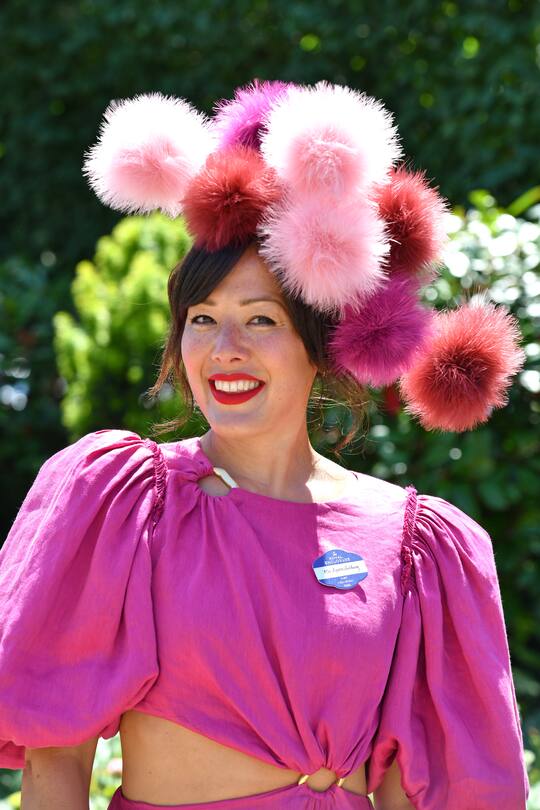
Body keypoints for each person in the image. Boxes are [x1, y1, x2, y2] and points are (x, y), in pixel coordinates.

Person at [0, 80, 530, 809]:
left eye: (259, 322)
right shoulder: (124, 504)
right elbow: (54, 762)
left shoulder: (415, 542)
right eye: (202, 319)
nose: (224, 349)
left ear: (322, 347)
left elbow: (412, 786)